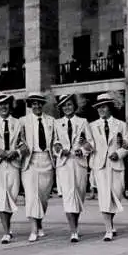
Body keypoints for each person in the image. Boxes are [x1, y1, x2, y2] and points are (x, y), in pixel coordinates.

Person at [89, 93, 128, 241]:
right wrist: (84, 147)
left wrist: (119, 153)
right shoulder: (92, 126)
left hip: (116, 165)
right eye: (99, 107)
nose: (101, 109)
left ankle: (110, 222)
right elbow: (90, 145)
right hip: (100, 166)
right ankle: (108, 229)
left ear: (110, 108)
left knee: (116, 196)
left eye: (104, 106)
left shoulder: (121, 125)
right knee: (104, 197)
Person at [53, 94, 94, 242]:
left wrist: (82, 151)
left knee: (79, 195)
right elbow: (54, 143)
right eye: (64, 105)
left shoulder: (83, 122)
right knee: (69, 197)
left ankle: (75, 225)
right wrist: (58, 150)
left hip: (79, 163)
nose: (67, 108)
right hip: (64, 164)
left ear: (74, 106)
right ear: (61, 108)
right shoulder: (57, 123)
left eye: (69, 104)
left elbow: (90, 144)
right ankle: (73, 231)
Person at [0, 93, 25, 244]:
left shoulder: (19, 123)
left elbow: (24, 143)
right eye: (0, 104)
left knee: (12, 196)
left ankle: (8, 225)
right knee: (1, 197)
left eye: (6, 103)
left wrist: (17, 152)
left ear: (10, 105)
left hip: (13, 164)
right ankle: (6, 231)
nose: (3, 107)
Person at [19, 92, 57, 242]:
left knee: (43, 197)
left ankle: (39, 224)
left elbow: (55, 140)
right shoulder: (23, 121)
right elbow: (18, 139)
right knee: (31, 195)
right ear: (30, 105)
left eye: (39, 103)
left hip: (47, 160)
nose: (37, 106)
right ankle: (33, 229)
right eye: (34, 103)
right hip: (30, 160)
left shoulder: (51, 121)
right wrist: (22, 146)